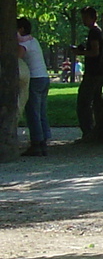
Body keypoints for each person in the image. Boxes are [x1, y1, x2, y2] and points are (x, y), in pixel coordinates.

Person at [16, 17, 50, 156]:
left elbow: (16, 58)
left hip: (34, 79)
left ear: (21, 29)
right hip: (43, 77)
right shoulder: (33, 40)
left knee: (32, 112)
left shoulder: (24, 44)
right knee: (41, 111)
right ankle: (43, 140)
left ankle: (36, 143)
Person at [71, 7, 103, 141]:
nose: (83, 20)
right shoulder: (98, 31)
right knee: (96, 101)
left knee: (84, 101)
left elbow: (95, 52)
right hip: (98, 71)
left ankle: (88, 131)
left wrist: (81, 53)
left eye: (85, 17)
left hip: (93, 72)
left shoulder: (94, 33)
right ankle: (97, 129)